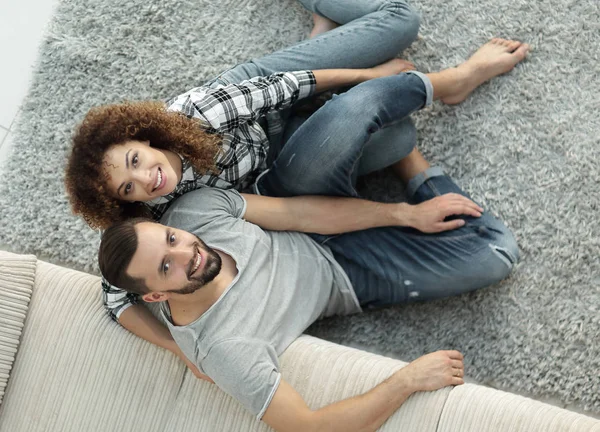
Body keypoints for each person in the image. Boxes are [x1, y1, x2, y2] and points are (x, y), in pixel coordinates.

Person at [97, 139, 519, 430]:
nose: (186, 254)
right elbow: (311, 427)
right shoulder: (224, 352)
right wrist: (406, 381)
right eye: (167, 268)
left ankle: (392, 147)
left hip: (305, 213)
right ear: (154, 294)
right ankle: (413, 164)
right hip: (345, 277)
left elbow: (299, 215)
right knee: (498, 254)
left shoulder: (191, 213)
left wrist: (404, 214)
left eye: (171, 240)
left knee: (374, 111)